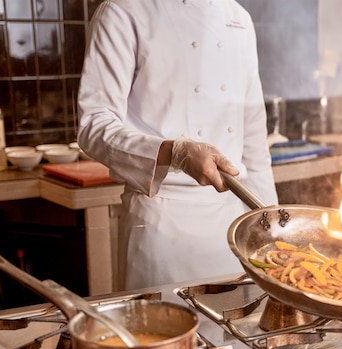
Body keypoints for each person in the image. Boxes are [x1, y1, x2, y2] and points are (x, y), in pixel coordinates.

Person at [78, 0, 278, 290]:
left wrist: (271, 225)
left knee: (236, 333)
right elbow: (93, 126)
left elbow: (254, 140)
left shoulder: (239, 19)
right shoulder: (123, 10)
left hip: (232, 227)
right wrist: (176, 153)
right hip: (164, 224)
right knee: (166, 333)